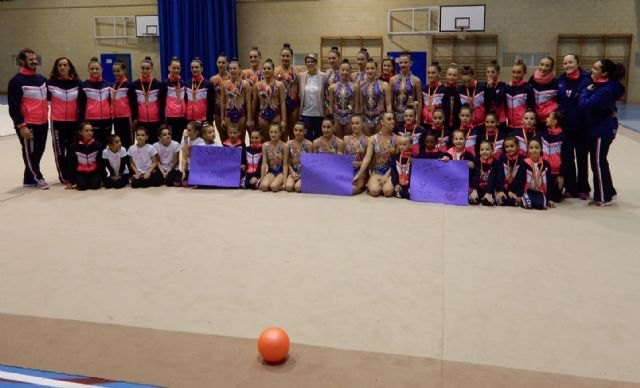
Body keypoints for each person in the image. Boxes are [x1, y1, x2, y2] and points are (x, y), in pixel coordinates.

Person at [579, 58, 626, 207]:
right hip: (599, 127)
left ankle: (603, 197)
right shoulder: (603, 84)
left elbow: (585, 104)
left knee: (598, 162)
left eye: (595, 68)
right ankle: (609, 190)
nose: (591, 71)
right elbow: (586, 75)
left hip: (601, 130)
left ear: (604, 73)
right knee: (600, 161)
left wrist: (586, 91)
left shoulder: (605, 90)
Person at [8, 48, 50, 189]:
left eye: (35, 58)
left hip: (43, 122)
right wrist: (22, 125)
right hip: (28, 124)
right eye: (31, 59)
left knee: (39, 151)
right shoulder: (16, 81)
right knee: (30, 152)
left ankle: (28, 178)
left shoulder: (42, 79)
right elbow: (14, 107)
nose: (34, 61)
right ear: (22, 61)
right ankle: (38, 177)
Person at [557, 54, 592, 199]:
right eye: (565, 63)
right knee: (567, 159)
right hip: (565, 127)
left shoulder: (587, 80)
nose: (568, 65)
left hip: (582, 127)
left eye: (571, 62)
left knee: (582, 158)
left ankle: (583, 188)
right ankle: (570, 188)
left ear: (578, 63)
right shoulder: (560, 81)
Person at [47, 56, 80, 185]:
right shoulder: (50, 84)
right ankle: (63, 176)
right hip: (57, 122)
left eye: (65, 65)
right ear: (56, 68)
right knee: (60, 151)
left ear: (70, 67)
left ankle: (72, 174)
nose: (62, 67)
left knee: (72, 150)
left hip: (74, 122)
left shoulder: (77, 84)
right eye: (60, 65)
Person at [357, 112, 396, 197]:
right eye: (389, 119)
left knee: (387, 191)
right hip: (376, 171)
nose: (393, 121)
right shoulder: (372, 139)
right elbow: (367, 158)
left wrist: (386, 176)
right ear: (382, 122)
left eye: (393, 119)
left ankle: (388, 184)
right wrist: (358, 175)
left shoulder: (396, 139)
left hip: (390, 172)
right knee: (374, 191)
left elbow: (396, 161)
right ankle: (372, 181)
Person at [78, 57, 112, 147]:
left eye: (97, 69)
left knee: (105, 147)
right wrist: (82, 121)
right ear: (88, 70)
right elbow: (81, 105)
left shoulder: (108, 85)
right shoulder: (83, 85)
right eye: (92, 69)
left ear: (101, 70)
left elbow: (112, 102)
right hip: (91, 121)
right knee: (93, 146)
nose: (94, 71)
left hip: (107, 121)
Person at [131, 57, 166, 137]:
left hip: (155, 120)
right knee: (143, 145)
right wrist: (135, 118)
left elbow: (162, 104)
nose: (145, 70)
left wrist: (162, 120)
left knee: (154, 144)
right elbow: (133, 104)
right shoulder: (134, 85)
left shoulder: (158, 84)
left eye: (147, 68)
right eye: (143, 68)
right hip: (141, 121)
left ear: (151, 69)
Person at [252, 59, 287, 140]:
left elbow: (282, 103)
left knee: (277, 139)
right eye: (264, 68)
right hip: (262, 116)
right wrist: (251, 119)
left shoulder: (279, 85)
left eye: (269, 68)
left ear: (273, 70)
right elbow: (254, 103)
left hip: (276, 115)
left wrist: (284, 120)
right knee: (264, 139)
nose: (266, 70)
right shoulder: (257, 85)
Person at [221, 58, 252, 142]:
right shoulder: (224, 84)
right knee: (230, 138)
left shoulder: (245, 84)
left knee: (241, 139)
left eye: (234, 68)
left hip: (241, 114)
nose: (232, 70)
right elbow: (223, 102)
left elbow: (248, 102)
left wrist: (249, 119)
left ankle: (242, 154)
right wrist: (222, 119)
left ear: (239, 70)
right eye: (230, 69)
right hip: (228, 114)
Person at [517, 137, 552, 210]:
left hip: (539, 191)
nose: (534, 150)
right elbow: (519, 179)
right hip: (527, 190)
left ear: (541, 149)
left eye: (536, 148)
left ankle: (541, 199)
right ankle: (526, 198)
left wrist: (548, 198)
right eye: (531, 148)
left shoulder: (545, 164)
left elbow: (549, 181)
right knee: (528, 205)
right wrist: (520, 193)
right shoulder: (524, 163)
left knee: (540, 206)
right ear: (528, 150)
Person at [358, 59, 391, 135]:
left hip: (379, 118)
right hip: (365, 118)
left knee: (379, 143)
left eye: (372, 68)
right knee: (368, 142)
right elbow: (360, 104)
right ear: (365, 70)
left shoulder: (384, 85)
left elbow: (388, 104)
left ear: (376, 70)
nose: (370, 71)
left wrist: (389, 119)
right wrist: (360, 120)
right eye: (368, 68)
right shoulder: (361, 86)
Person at [390, 53, 422, 129]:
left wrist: (418, 119)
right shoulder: (392, 80)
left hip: (410, 116)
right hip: (396, 115)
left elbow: (420, 102)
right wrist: (391, 116)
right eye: (401, 63)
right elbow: (390, 101)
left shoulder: (416, 80)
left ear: (411, 63)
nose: (403, 65)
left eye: (405, 62)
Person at [275, 43, 300, 140]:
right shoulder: (275, 71)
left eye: (287, 56)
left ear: (291, 56)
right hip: (281, 104)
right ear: (280, 56)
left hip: (294, 104)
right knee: (282, 131)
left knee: (294, 130)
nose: (285, 58)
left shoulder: (298, 70)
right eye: (283, 56)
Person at [67, 122, 103, 191]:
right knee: (82, 186)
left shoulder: (97, 145)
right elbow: (71, 164)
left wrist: (104, 178)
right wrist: (71, 181)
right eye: (86, 131)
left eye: (91, 130)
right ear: (80, 132)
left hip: (94, 172)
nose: (90, 133)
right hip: (81, 172)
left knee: (95, 185)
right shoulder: (74, 146)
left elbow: (101, 162)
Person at [298, 53, 326, 141]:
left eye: (312, 61)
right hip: (306, 113)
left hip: (319, 113)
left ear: (316, 62)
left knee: (319, 139)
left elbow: (327, 95)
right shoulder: (301, 76)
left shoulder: (323, 76)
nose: (310, 64)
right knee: (307, 139)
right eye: (308, 62)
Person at [542, 110, 567, 205]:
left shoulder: (563, 138)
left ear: (554, 121)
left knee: (556, 198)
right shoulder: (543, 135)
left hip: (556, 173)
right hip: (543, 171)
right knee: (544, 196)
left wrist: (561, 175)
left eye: (549, 117)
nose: (546, 119)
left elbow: (566, 159)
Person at [505, 59, 535, 137]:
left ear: (524, 73)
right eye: (513, 72)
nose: (515, 75)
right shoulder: (507, 88)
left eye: (518, 72)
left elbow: (531, 107)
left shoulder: (528, 88)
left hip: (522, 127)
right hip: (509, 126)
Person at [110, 60, 136, 149]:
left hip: (126, 118)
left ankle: (129, 162)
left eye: (118, 71)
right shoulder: (113, 85)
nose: (116, 73)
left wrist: (135, 118)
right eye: (114, 71)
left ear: (124, 71)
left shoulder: (129, 85)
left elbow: (134, 103)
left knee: (128, 142)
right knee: (118, 142)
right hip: (116, 118)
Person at [529, 56, 558, 133]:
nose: (543, 68)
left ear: (551, 68)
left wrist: (552, 114)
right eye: (541, 64)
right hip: (534, 119)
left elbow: (558, 101)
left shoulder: (555, 82)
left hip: (547, 120)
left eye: (547, 66)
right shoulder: (532, 79)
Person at [328, 59, 356, 138]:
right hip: (337, 117)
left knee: (348, 139)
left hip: (350, 116)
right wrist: (331, 119)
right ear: (339, 71)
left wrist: (355, 118)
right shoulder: (332, 87)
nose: (345, 72)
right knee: (338, 139)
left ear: (350, 72)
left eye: (347, 70)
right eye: (342, 70)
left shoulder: (355, 87)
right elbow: (330, 105)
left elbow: (357, 105)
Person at [469, 140, 502, 206]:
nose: (484, 151)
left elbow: (498, 178)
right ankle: (476, 196)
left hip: (491, 188)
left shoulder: (496, 162)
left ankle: (488, 196)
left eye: (487, 149)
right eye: (482, 149)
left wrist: (497, 190)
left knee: (493, 174)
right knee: (473, 199)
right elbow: (473, 176)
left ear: (492, 151)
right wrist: (474, 189)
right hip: (478, 187)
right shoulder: (476, 160)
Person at [185, 57, 214, 125]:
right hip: (189, 119)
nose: (194, 69)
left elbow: (211, 104)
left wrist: (209, 120)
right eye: (192, 67)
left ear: (201, 68)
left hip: (203, 120)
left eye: (196, 67)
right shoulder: (187, 83)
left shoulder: (208, 84)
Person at [495, 136, 523, 206]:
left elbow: (520, 178)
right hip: (504, 186)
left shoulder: (522, 159)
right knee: (502, 200)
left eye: (512, 146)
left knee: (511, 201)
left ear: (518, 146)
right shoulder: (502, 158)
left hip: (515, 188)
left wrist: (511, 191)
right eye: (507, 147)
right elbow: (499, 175)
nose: (509, 149)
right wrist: (500, 190)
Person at [344, 115, 369, 194]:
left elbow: (371, 161)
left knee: (352, 190)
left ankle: (363, 183)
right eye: (352, 123)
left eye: (357, 123)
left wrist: (361, 163)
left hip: (361, 171)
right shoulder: (346, 138)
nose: (354, 126)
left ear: (362, 124)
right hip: (347, 169)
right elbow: (342, 157)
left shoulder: (367, 140)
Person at [164, 57, 186, 143]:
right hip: (170, 117)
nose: (176, 70)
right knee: (171, 142)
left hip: (181, 117)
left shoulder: (183, 83)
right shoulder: (165, 83)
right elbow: (162, 102)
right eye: (174, 68)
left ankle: (177, 156)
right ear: (169, 68)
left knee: (179, 141)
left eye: (178, 68)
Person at [285, 122, 312, 193]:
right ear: (293, 131)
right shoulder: (289, 144)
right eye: (296, 130)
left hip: (304, 172)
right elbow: (287, 161)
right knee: (288, 187)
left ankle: (302, 182)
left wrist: (301, 175)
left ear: (305, 131)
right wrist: (292, 172)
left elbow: (310, 163)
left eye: (300, 131)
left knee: (297, 188)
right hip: (293, 171)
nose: (298, 132)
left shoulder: (309, 144)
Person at [260, 124, 288, 192]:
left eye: (276, 132)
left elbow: (285, 165)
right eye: (271, 132)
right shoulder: (265, 145)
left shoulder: (284, 146)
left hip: (280, 172)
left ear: (280, 133)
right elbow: (264, 164)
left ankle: (276, 183)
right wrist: (262, 180)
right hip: (271, 171)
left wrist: (284, 183)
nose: (273, 134)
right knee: (264, 187)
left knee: (274, 187)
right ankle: (272, 182)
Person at [210, 53, 230, 140]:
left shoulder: (232, 77)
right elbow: (211, 98)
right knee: (223, 137)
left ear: (227, 63)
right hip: (217, 110)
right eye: (219, 62)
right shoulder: (213, 79)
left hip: (230, 110)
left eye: (223, 62)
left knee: (232, 136)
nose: (221, 64)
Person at [484, 60, 507, 132]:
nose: (490, 74)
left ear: (498, 73)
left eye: (492, 72)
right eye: (488, 72)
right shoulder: (484, 86)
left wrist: (491, 87)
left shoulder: (502, 85)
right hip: (489, 120)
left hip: (500, 120)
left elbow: (498, 102)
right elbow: (486, 103)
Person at [180, 121, 205, 187]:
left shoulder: (201, 142)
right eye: (186, 129)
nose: (186, 132)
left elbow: (189, 155)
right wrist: (183, 171)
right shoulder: (184, 139)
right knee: (181, 183)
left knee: (193, 183)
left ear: (196, 132)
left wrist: (186, 141)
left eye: (189, 130)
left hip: (196, 167)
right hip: (188, 167)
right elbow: (184, 157)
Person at [422, 61, 445, 130]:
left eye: (433, 73)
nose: (430, 75)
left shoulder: (444, 90)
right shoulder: (424, 89)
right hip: (425, 124)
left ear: (439, 74)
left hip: (438, 125)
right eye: (429, 73)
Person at [390, 134, 413, 199]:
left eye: (404, 144)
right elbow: (393, 172)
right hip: (400, 183)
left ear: (410, 145)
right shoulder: (395, 157)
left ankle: (406, 191)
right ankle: (401, 190)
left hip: (410, 185)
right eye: (400, 144)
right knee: (398, 191)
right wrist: (396, 184)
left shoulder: (414, 158)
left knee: (411, 194)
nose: (401, 147)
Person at [442, 64, 461, 131]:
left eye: (454, 75)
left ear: (458, 77)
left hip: (458, 123)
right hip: (443, 123)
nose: (451, 77)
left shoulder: (460, 90)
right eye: (449, 75)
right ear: (446, 76)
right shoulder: (442, 89)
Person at [324, 47, 341, 114]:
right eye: (329, 58)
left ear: (339, 58)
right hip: (327, 102)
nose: (331, 60)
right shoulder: (327, 72)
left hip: (339, 102)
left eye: (334, 58)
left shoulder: (343, 72)